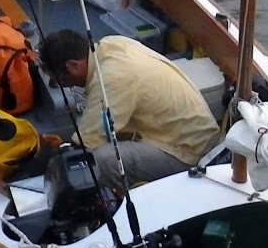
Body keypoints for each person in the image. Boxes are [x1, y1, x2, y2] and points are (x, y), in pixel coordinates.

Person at [39, 29, 222, 192]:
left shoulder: (111, 78)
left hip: (188, 153)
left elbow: (85, 143)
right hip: (176, 133)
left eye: (60, 79)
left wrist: (50, 161)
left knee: (100, 160)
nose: (63, 85)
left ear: (73, 65)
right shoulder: (111, 45)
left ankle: (131, 199)